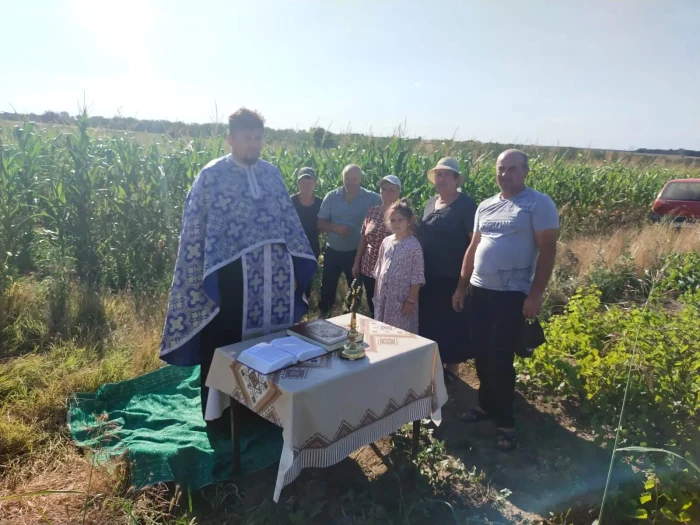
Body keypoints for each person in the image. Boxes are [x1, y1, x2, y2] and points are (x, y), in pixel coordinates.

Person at [159, 108, 317, 433]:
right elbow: (196, 230)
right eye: (247, 138)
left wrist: (299, 263)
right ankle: (219, 414)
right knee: (225, 342)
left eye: (258, 138)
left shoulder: (272, 174)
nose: (253, 145)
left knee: (272, 342)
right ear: (230, 138)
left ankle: (266, 406)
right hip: (230, 279)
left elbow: (288, 221)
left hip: (274, 280)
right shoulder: (212, 176)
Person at [452, 149, 559, 451]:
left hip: (511, 294)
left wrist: (536, 293)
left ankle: (505, 422)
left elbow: (548, 250)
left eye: (512, 169)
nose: (505, 174)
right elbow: (473, 248)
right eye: (501, 169)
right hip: (478, 291)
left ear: (525, 171)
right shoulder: (485, 206)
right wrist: (461, 287)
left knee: (500, 359)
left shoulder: (538, 204)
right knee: (482, 355)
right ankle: (486, 406)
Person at [416, 157, 477, 381]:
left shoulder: (467, 207)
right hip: (428, 275)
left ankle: (452, 369)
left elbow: (475, 243)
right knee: (431, 321)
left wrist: (463, 283)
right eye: (438, 174)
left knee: (453, 322)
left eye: (446, 175)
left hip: (452, 276)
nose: (441, 179)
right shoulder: (430, 203)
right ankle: (435, 365)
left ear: (455, 179)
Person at [317, 165, 381, 317]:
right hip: (333, 251)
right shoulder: (331, 197)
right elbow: (320, 223)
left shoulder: (372, 198)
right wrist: (334, 228)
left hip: (356, 253)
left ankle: (351, 318)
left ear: (360, 179)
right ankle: (324, 316)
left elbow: (388, 211)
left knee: (355, 290)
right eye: (347, 178)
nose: (351, 182)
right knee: (327, 288)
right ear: (342, 178)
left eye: (354, 178)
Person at [352, 175, 401, 316]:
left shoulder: (403, 214)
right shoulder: (372, 211)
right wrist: (357, 262)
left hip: (391, 270)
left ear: (398, 192)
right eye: (384, 189)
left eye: (391, 190)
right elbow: (363, 238)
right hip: (369, 267)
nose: (386, 193)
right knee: (373, 305)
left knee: (389, 308)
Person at [373, 200, 425, 333]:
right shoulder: (386, 242)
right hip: (383, 299)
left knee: (400, 333)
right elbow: (379, 272)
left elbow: (417, 277)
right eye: (392, 220)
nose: (396, 224)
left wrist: (410, 301)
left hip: (402, 301)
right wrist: (376, 296)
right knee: (382, 330)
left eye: (400, 220)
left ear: (409, 222)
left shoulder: (414, 246)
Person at [291, 167, 323, 299]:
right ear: (298, 184)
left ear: (314, 184)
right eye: (303, 182)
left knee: (307, 276)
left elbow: (322, 225)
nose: (306, 185)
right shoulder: (290, 202)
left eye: (309, 182)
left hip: (312, 247)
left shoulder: (320, 203)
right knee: (292, 277)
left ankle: (305, 306)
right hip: (292, 247)